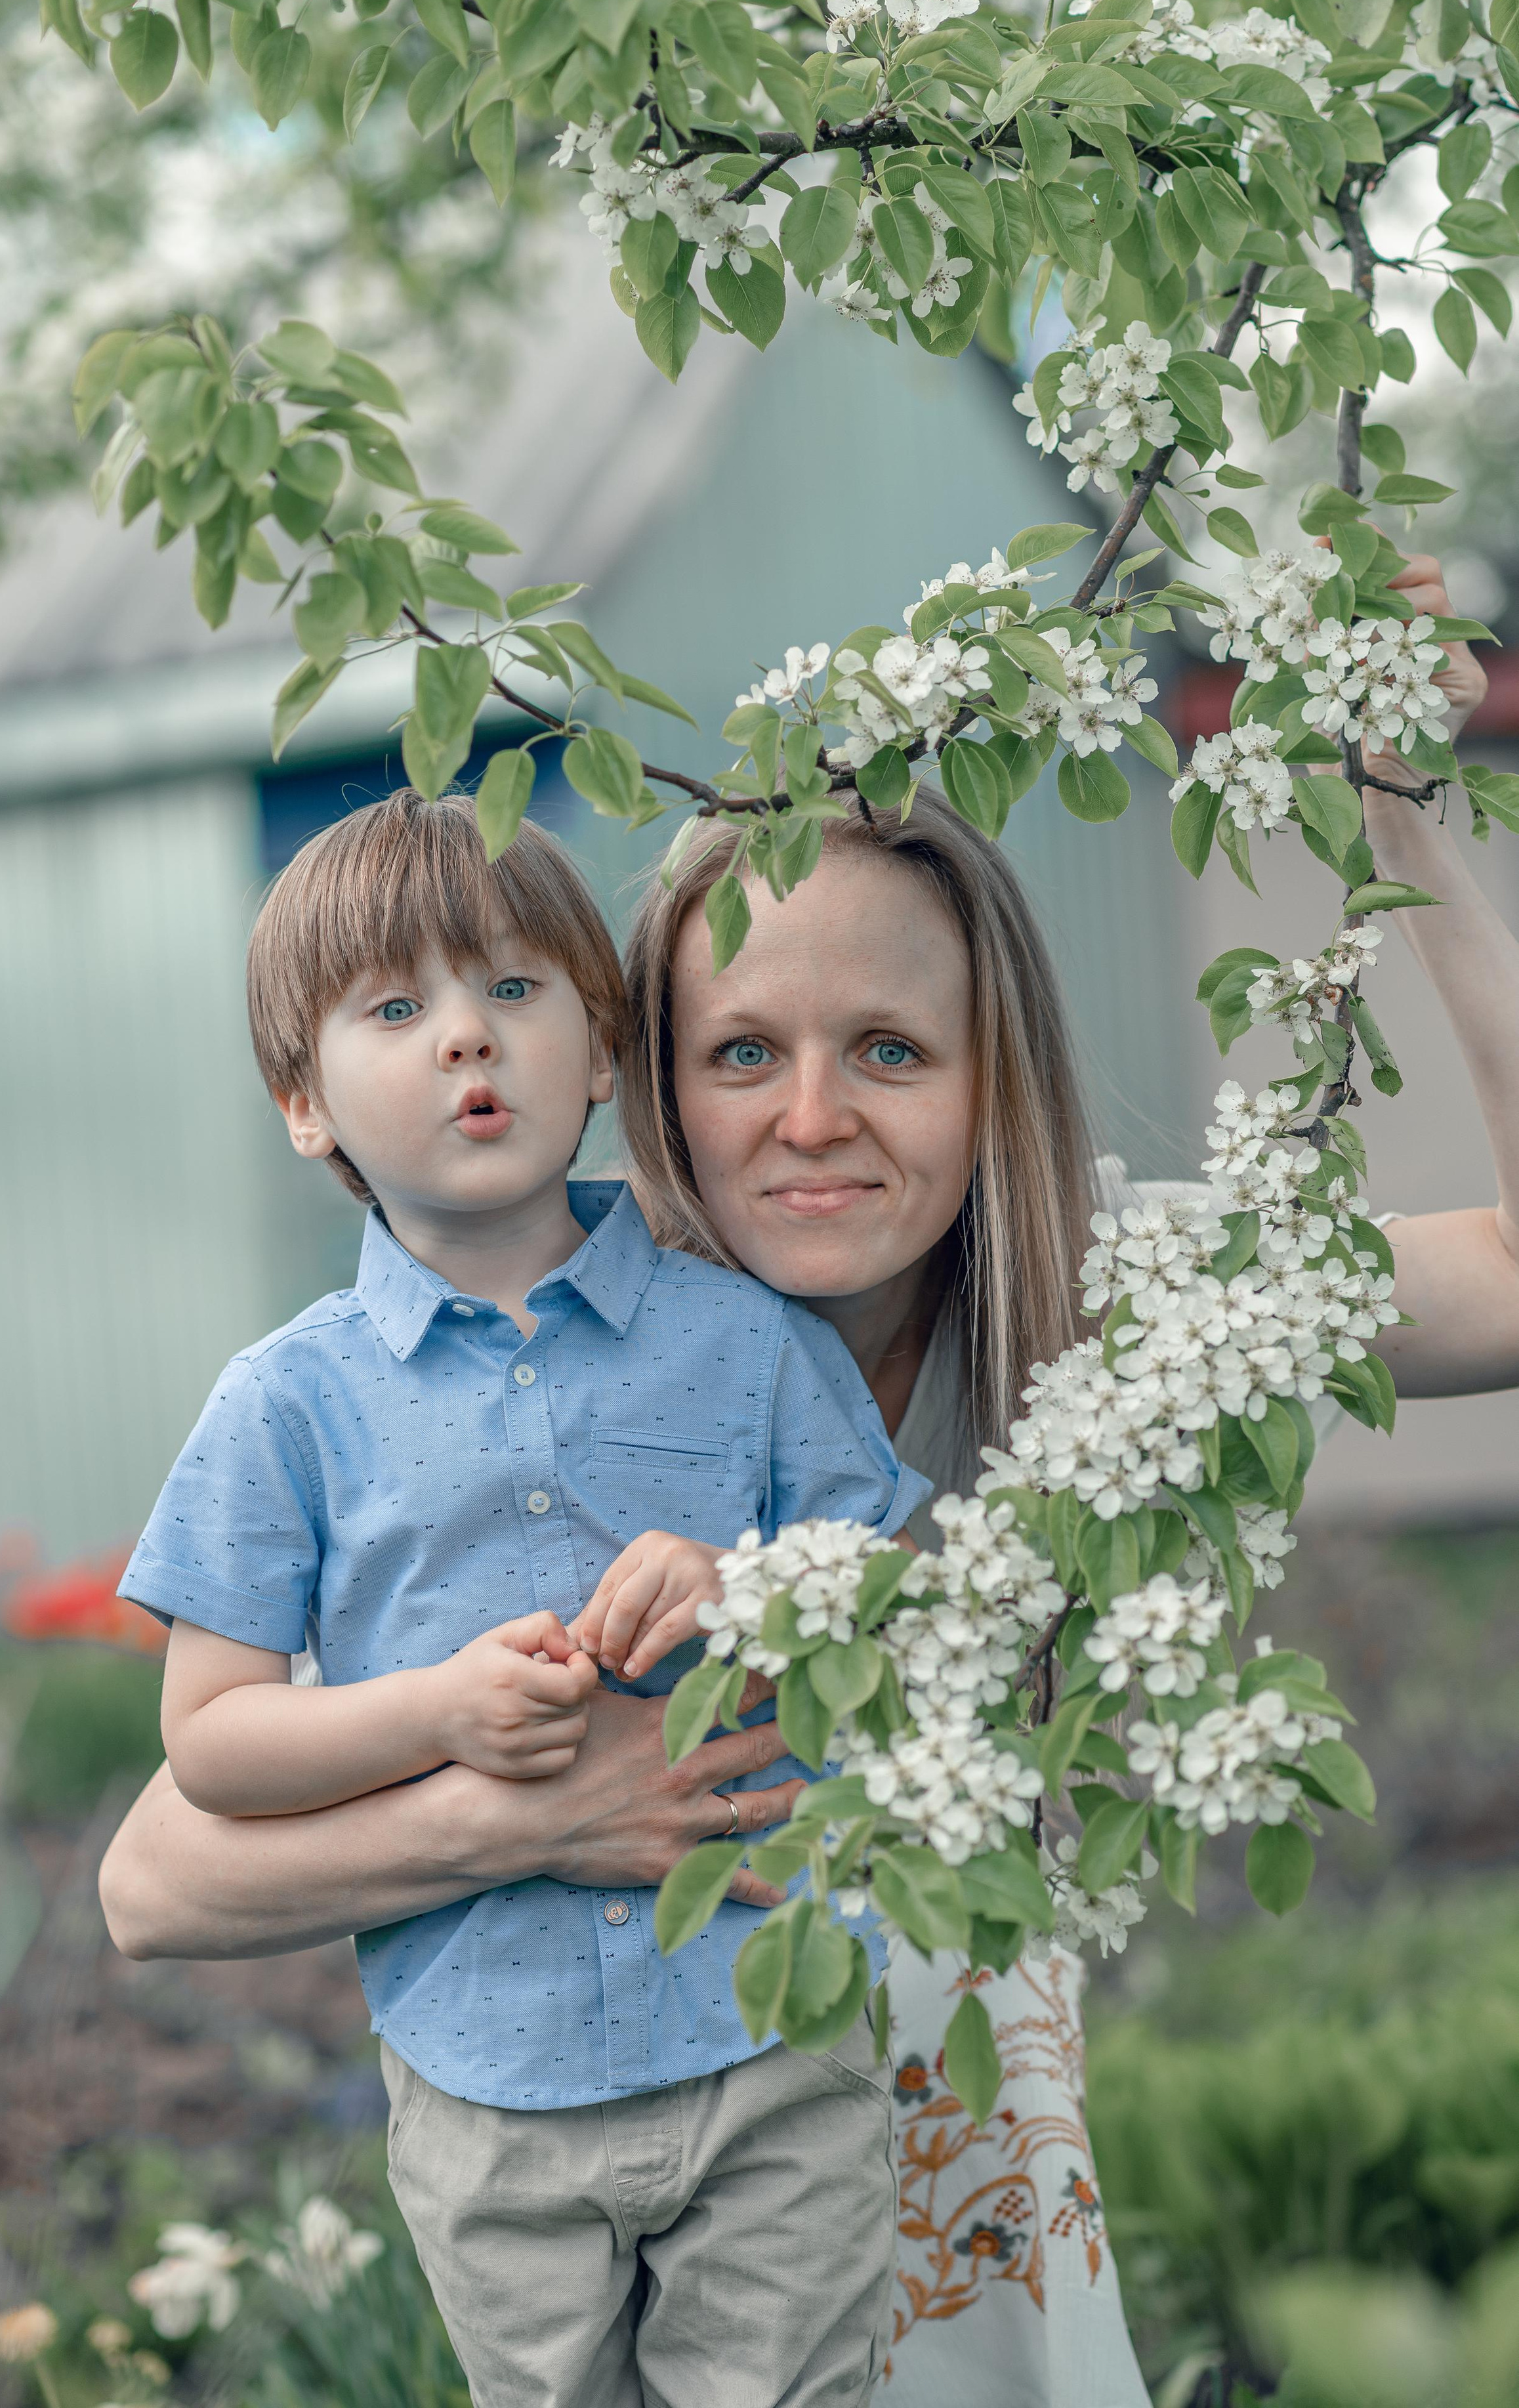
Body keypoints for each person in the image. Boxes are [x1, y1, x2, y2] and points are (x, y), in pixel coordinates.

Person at [100, 555, 1519, 2401]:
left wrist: (1416, 820)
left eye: (893, 1052)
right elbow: (152, 1881)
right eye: (745, 1052)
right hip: (648, 2145)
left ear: (987, 1073)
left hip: (966, 2187)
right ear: (648, 1080)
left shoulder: (1118, 1295)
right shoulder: (547, 1348)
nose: (816, 1117)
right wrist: (539, 1816)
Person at [116, 787, 928, 2408]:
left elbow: (900, 1599)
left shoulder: (745, 1339)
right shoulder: (286, 1407)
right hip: (487, 2081)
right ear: (303, 1102)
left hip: (772, 2033)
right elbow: (208, 1740)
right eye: (396, 1009)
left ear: (606, 1045)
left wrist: (752, 1586)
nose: (465, 1043)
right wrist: (434, 1715)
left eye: (511, 989)